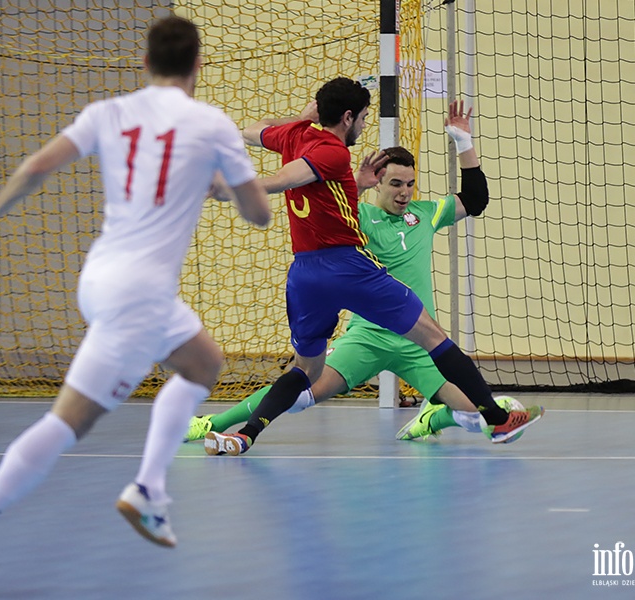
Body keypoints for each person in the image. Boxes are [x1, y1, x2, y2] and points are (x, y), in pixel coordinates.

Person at [0, 16, 270, 592]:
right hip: (139, 293)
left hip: (103, 275)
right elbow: (259, 212)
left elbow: (41, 164)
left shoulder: (109, 112)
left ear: (145, 63)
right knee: (73, 419)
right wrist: (221, 187)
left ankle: (150, 489)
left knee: (203, 362)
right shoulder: (211, 123)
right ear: (196, 66)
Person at [203, 81, 543, 458]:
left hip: (309, 276)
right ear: (348, 117)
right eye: (363, 117)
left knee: (305, 370)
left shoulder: (421, 212)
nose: (404, 191)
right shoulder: (348, 188)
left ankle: (245, 435)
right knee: (429, 339)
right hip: (357, 305)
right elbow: (287, 180)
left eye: (410, 184)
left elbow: (259, 133)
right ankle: (496, 420)